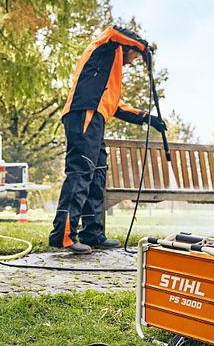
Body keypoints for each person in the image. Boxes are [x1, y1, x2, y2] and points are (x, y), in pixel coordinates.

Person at [48, 26, 167, 254]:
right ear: (128, 46)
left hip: (96, 118)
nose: (131, 62)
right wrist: (144, 47)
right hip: (84, 112)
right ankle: (62, 235)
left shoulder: (108, 71)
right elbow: (113, 30)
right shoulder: (106, 46)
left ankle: (93, 232)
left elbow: (117, 106)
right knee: (82, 171)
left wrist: (148, 118)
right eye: (133, 56)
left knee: (97, 173)